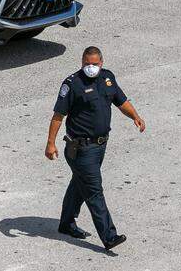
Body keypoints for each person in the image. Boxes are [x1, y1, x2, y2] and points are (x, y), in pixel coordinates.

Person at [45, 46, 145, 250]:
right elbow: (58, 115)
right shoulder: (72, 84)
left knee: (79, 185)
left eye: (95, 64)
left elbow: (121, 101)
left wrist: (135, 116)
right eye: (87, 64)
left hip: (100, 146)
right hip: (80, 148)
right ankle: (109, 236)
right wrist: (50, 143)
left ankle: (66, 224)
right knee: (93, 191)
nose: (91, 67)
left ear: (101, 62)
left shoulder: (107, 78)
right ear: (82, 63)